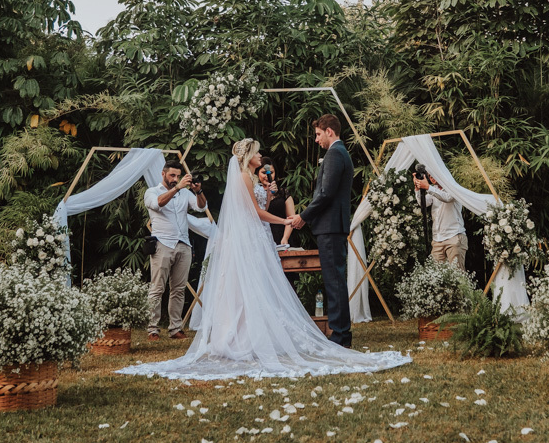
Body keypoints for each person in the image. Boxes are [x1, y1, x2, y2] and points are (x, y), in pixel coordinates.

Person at [116, 138, 410, 380]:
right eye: (257, 153)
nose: (261, 157)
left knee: (261, 286)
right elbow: (255, 214)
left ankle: (258, 333)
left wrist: (269, 195)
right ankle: (243, 337)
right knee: (250, 286)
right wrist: (286, 221)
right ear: (248, 157)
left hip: (259, 237)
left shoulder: (251, 178)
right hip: (252, 235)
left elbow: (261, 204)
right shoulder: (243, 176)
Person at [291, 115, 356, 347]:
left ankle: (340, 335)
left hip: (331, 227)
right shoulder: (339, 153)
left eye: (318, 134)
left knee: (334, 281)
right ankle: (341, 334)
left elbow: (326, 194)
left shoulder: (335, 154)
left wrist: (303, 217)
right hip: (332, 226)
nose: (316, 139)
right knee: (334, 280)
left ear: (329, 131)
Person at [144, 161, 207, 340]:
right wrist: (177, 188)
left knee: (179, 289)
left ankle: (175, 328)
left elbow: (201, 207)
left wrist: (198, 191)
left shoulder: (185, 193)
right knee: (157, 288)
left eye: (178, 176)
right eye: (172, 175)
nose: (175, 179)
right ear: (163, 174)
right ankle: (153, 329)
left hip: (183, 244)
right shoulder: (152, 192)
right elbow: (157, 204)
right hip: (162, 243)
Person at [413, 169, 468, 269]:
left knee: (458, 276)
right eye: (429, 175)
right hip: (437, 239)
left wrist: (428, 187)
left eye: (433, 174)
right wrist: (417, 189)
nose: (431, 177)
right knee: (436, 276)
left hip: (454, 236)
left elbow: (447, 198)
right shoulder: (433, 189)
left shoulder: (453, 187)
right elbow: (423, 203)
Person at [260, 159, 296, 247]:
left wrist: (285, 237)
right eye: (264, 173)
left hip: (282, 232)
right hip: (263, 235)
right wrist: (268, 194)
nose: (267, 176)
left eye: (271, 172)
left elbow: (291, 216)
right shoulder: (256, 192)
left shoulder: (283, 192)